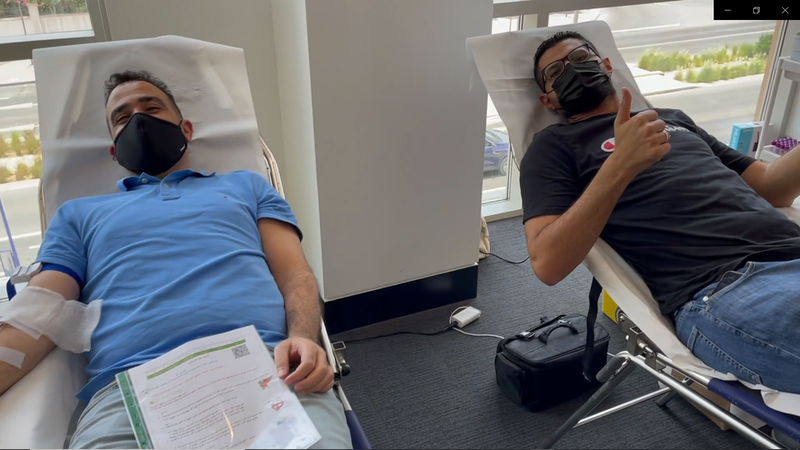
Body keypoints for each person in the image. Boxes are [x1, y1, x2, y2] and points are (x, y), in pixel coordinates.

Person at [0, 70, 352, 449]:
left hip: (266, 366)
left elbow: (295, 275)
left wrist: (303, 338)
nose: (138, 119)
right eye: (122, 117)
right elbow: (39, 314)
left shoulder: (246, 186)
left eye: (151, 107)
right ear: (114, 150)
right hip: (130, 392)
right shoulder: (78, 214)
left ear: (185, 128)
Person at [520, 31, 800, 394]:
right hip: (726, 286)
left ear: (605, 65)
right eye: (556, 72)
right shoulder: (553, 146)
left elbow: (772, 187)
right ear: (548, 99)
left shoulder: (671, 118)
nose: (571, 70)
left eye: (579, 58)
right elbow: (547, 263)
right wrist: (620, 164)